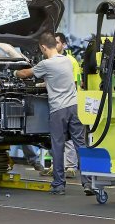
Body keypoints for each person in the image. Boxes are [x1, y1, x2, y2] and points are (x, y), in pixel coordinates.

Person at [13, 32, 93, 196]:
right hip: (74, 107)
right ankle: (88, 183)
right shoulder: (68, 60)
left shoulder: (46, 64)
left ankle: (58, 185)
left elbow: (26, 74)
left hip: (59, 110)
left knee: (58, 147)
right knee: (80, 145)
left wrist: (13, 73)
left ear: (43, 47)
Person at [40, 33, 80, 178]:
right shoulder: (49, 60)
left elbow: (74, 83)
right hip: (63, 104)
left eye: (57, 43)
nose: (54, 46)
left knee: (67, 140)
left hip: (66, 104)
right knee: (59, 140)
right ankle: (57, 168)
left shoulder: (70, 61)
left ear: (63, 44)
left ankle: (70, 167)